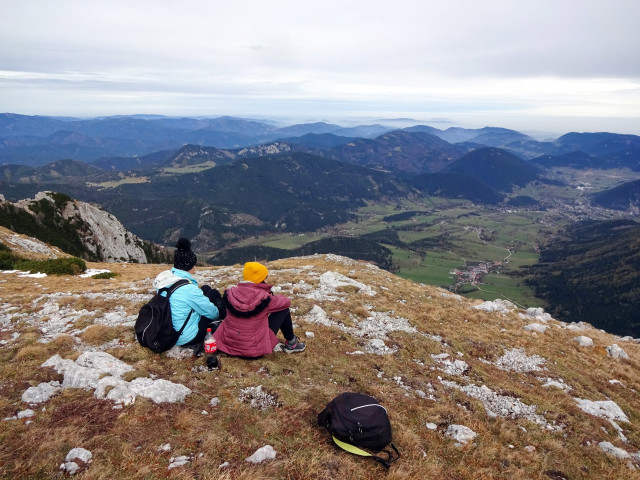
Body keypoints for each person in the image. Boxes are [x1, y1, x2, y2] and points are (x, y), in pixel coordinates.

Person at [214, 261, 305, 357]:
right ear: (261, 279)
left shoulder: (230, 293)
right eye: (265, 276)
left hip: (229, 346)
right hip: (254, 350)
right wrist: (272, 295)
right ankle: (292, 343)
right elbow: (286, 302)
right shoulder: (264, 298)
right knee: (283, 310)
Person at [152, 238, 226, 353]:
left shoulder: (165, 281)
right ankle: (228, 321)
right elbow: (212, 313)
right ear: (190, 266)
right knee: (213, 294)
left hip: (167, 329)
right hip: (185, 337)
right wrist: (217, 311)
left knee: (205, 289)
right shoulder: (188, 289)